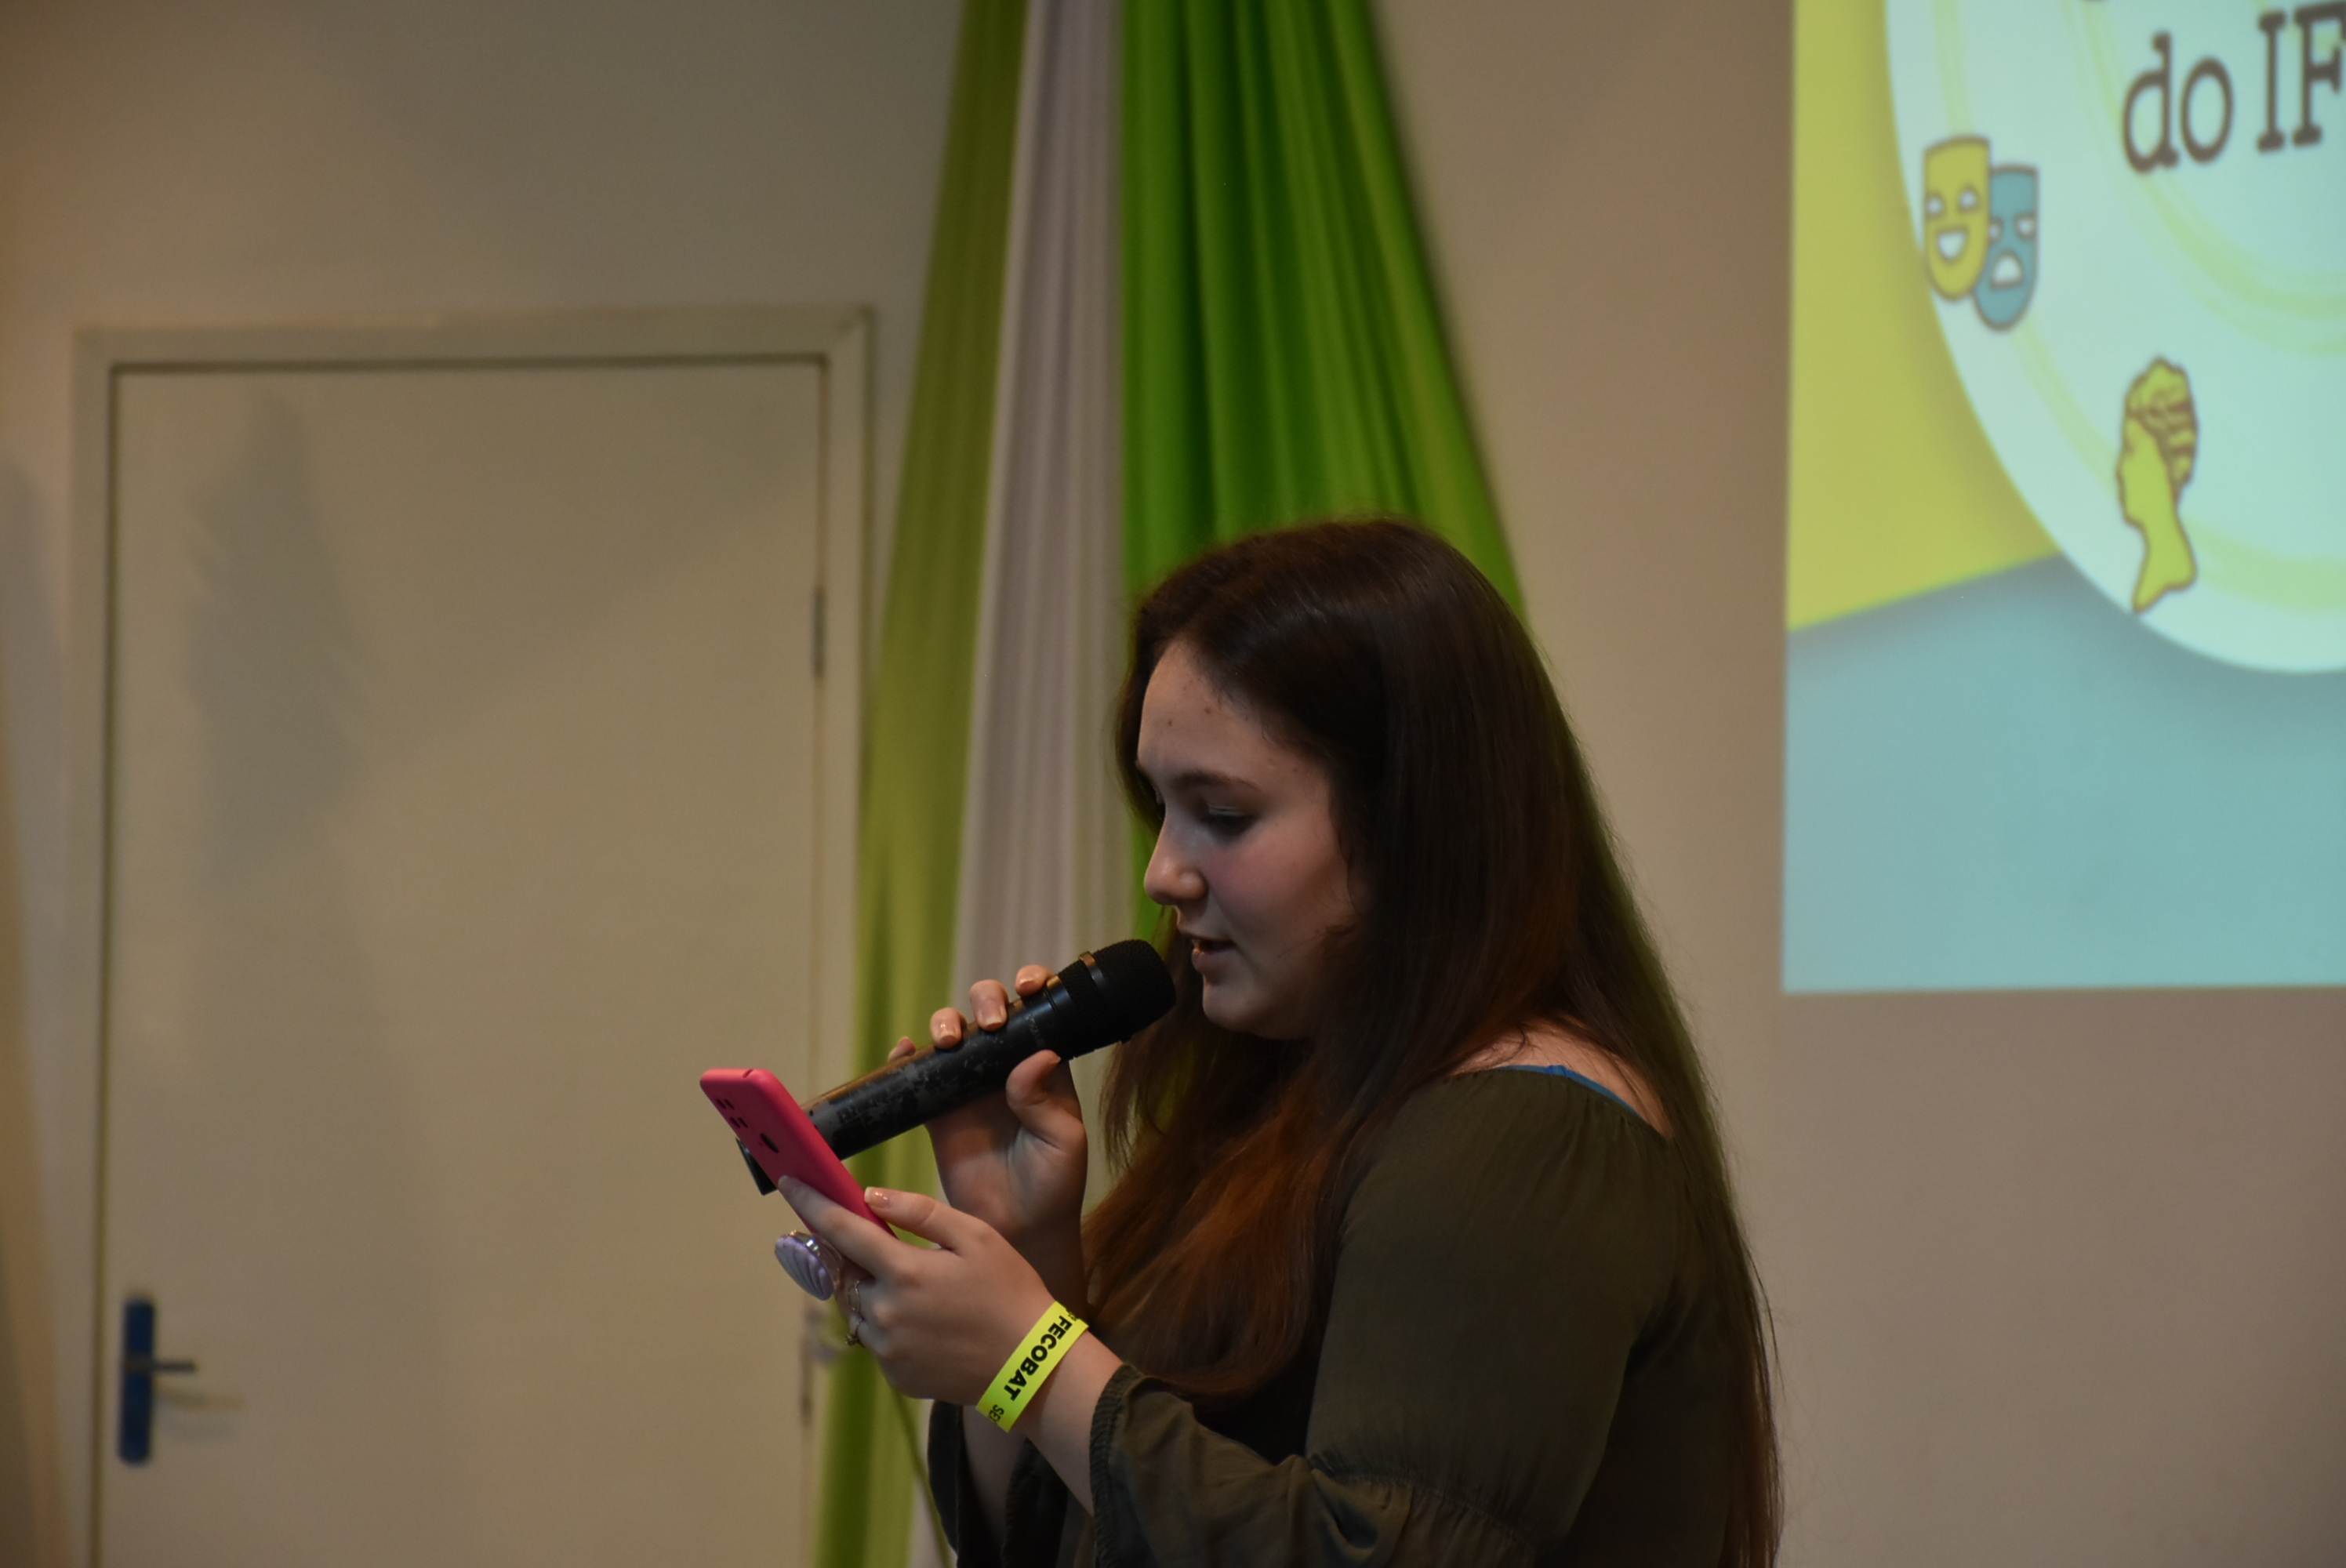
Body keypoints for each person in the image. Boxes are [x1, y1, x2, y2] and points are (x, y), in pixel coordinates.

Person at [781, 521, 1779, 1566]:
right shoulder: (1295, 1098)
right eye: (1161, 808)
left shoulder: (1526, 1132)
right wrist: (1029, 1258)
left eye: (1221, 814)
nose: (1164, 873)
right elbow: (1069, 1534)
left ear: (1411, 822)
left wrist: (1030, 1360)